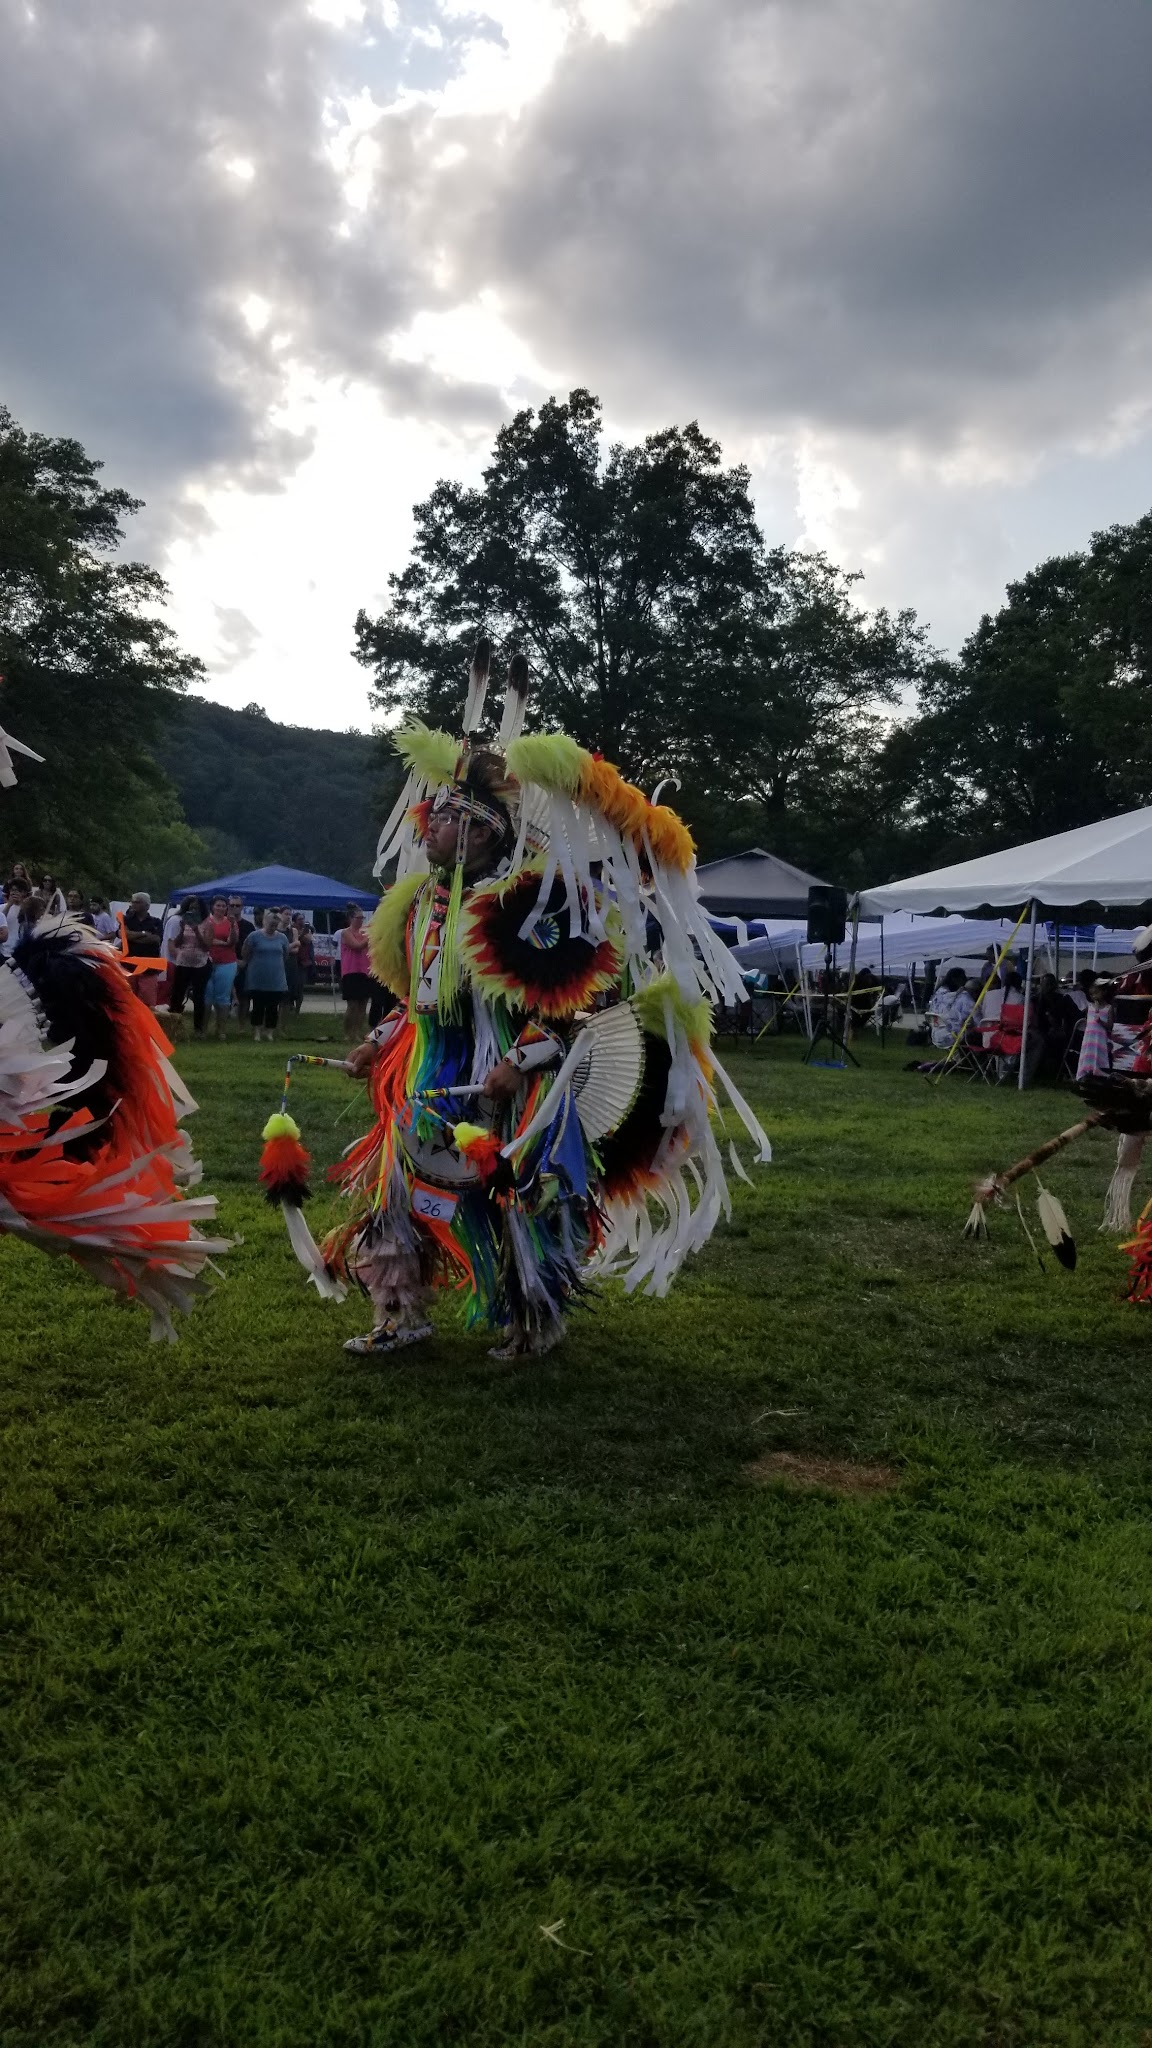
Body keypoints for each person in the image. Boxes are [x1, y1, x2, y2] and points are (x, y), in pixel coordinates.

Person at [277, 642, 769, 1362]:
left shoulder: (532, 904)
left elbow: (574, 1003)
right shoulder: (417, 905)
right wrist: (377, 1044)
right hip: (428, 1078)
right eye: (429, 815)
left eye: (445, 818)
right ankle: (399, 1315)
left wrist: (518, 1062)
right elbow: (419, 999)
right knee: (397, 1194)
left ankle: (534, 1320)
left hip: (516, 1086)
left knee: (521, 1201)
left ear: (483, 830)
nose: (427, 826)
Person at [241, 908, 291, 1041]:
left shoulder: (282, 938)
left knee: (273, 1007)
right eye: (271, 924)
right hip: (257, 977)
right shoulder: (254, 936)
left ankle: (269, 1032)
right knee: (258, 1005)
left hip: (276, 978)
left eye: (275, 924)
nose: (273, 926)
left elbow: (285, 955)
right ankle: (256, 1031)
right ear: (265, 921)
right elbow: (245, 953)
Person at [199, 895, 240, 1039]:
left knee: (223, 997)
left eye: (223, 906)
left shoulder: (231, 922)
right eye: (218, 905)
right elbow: (206, 941)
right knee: (207, 996)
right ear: (212, 906)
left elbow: (233, 941)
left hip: (227, 962)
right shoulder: (206, 921)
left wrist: (232, 927)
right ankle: (203, 1029)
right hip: (207, 961)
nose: (221, 908)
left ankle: (221, 1029)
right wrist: (223, 943)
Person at [167, 900, 210, 1034]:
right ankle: (174, 1026)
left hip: (200, 963)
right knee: (177, 994)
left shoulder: (207, 924)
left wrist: (196, 930)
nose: (193, 911)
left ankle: (198, 1028)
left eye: (196, 908)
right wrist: (182, 929)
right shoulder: (184, 922)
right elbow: (177, 943)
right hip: (183, 962)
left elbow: (206, 946)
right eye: (191, 908)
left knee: (198, 996)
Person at [124, 892, 164, 1008]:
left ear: (147, 905)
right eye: (133, 902)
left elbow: (156, 939)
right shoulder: (126, 920)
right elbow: (124, 935)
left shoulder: (156, 922)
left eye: (137, 902)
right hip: (129, 966)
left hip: (149, 967)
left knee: (147, 1001)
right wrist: (143, 934)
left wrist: (133, 937)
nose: (133, 904)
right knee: (128, 999)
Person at [339, 904, 372, 1041]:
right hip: (351, 971)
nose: (361, 921)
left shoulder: (364, 932)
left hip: (365, 971)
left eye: (362, 918)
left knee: (363, 1005)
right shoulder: (345, 932)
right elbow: (357, 946)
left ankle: (357, 1032)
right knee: (352, 1005)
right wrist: (370, 936)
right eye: (358, 918)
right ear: (351, 918)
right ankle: (348, 1033)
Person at [227, 894, 256, 1023]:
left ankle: (242, 1025)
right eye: (232, 905)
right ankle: (223, 1023)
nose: (235, 908)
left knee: (244, 995)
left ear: (242, 907)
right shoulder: (223, 923)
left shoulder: (248, 926)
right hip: (226, 962)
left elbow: (253, 946)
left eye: (237, 905)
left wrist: (245, 961)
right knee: (225, 994)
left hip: (244, 963)